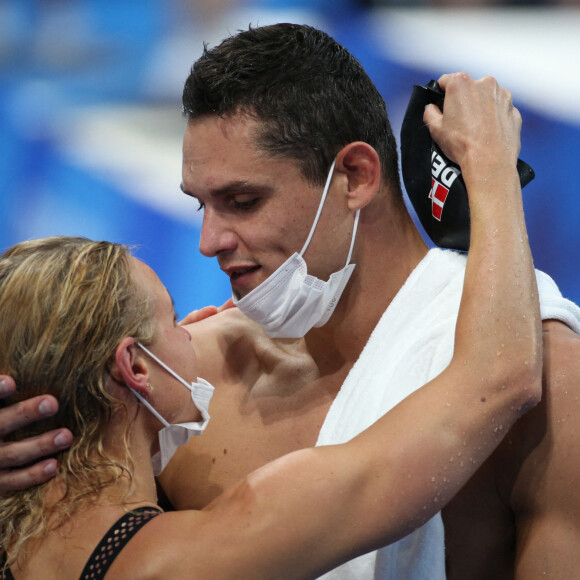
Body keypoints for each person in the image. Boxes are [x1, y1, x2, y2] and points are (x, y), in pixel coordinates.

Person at [2, 23, 580, 579]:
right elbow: (497, 378)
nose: (210, 243)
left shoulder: (554, 378)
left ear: (355, 176)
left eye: (242, 200)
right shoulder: (176, 392)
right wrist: (490, 170)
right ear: (132, 367)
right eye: (201, 205)